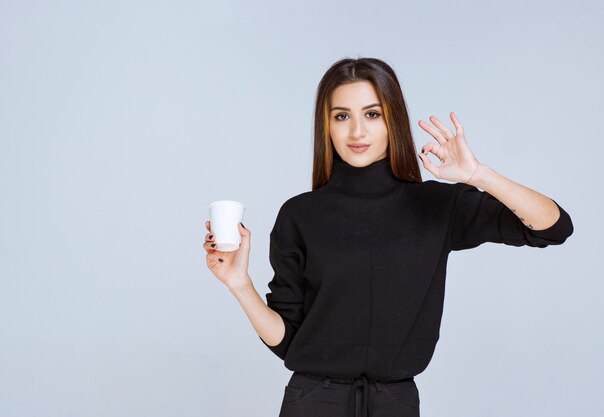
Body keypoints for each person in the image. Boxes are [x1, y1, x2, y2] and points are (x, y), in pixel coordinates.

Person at [203, 57, 574, 417]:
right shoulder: (300, 215)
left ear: (392, 120)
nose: (357, 131)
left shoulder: (434, 206)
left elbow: (552, 227)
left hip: (395, 402)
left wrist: (478, 175)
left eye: (372, 114)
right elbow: (286, 342)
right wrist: (239, 284)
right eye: (342, 116)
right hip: (313, 401)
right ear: (326, 125)